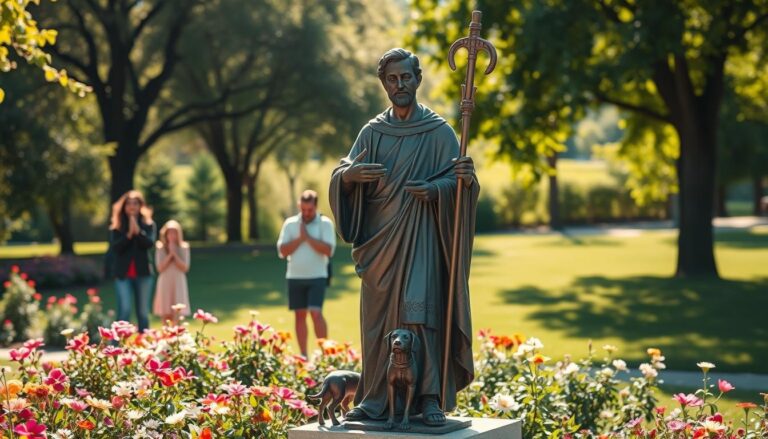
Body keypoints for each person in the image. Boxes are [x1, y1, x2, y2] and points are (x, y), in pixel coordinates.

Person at [329, 48, 478, 426]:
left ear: (418, 79)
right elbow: (345, 169)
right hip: (379, 247)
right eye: (392, 79)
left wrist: (442, 189)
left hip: (422, 239)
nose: (400, 85)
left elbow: (461, 181)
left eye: (406, 77)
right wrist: (348, 178)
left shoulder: (440, 132)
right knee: (378, 323)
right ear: (384, 83)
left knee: (419, 316)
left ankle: (429, 398)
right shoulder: (372, 131)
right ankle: (376, 397)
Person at [276, 190, 336, 357]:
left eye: (309, 210)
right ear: (299, 207)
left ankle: (326, 354)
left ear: (316, 207)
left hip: (318, 276)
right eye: (303, 209)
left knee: (316, 313)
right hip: (295, 277)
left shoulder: (325, 223)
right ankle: (303, 355)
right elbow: (282, 251)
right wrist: (300, 239)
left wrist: (307, 237)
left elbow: (328, 250)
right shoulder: (290, 224)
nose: (306, 213)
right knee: (299, 315)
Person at [109, 190, 157, 332]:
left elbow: (149, 244)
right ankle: (116, 347)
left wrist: (138, 232)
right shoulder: (117, 226)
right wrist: (129, 235)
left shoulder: (148, 225)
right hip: (123, 275)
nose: (132, 206)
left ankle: (145, 346)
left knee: (142, 312)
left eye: (135, 203)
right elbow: (116, 248)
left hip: (143, 274)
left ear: (140, 206)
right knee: (124, 310)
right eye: (129, 204)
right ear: (124, 206)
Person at [153, 220, 191, 324]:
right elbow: (160, 268)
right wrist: (170, 255)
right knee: (166, 311)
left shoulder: (184, 247)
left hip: (178, 281)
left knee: (178, 314)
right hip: (165, 281)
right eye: (169, 232)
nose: (172, 235)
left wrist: (175, 254)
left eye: (174, 233)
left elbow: (185, 267)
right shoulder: (160, 247)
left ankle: (177, 337)